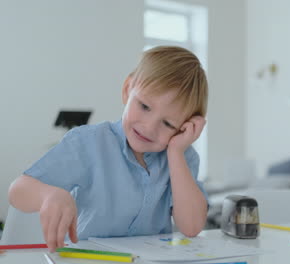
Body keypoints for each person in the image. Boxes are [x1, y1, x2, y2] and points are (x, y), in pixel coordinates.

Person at [8, 46, 209, 252]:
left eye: (168, 124)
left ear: (184, 127)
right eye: (144, 107)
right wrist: (48, 195)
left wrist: (175, 153)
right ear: (127, 89)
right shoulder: (88, 143)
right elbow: (17, 191)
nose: (149, 127)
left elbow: (191, 227)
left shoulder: (183, 157)